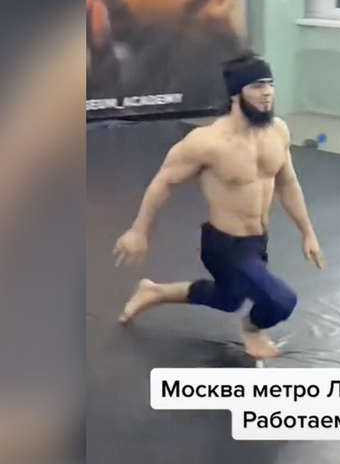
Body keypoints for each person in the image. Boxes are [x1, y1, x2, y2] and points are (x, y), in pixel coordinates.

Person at [113, 52, 324, 358]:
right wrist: (138, 231)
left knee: (228, 299)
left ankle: (154, 291)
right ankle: (251, 331)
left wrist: (308, 232)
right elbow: (164, 182)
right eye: (257, 86)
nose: (267, 92)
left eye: (269, 84)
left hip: (257, 241)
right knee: (281, 300)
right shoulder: (207, 142)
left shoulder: (277, 131)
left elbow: (287, 183)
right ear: (236, 93)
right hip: (224, 245)